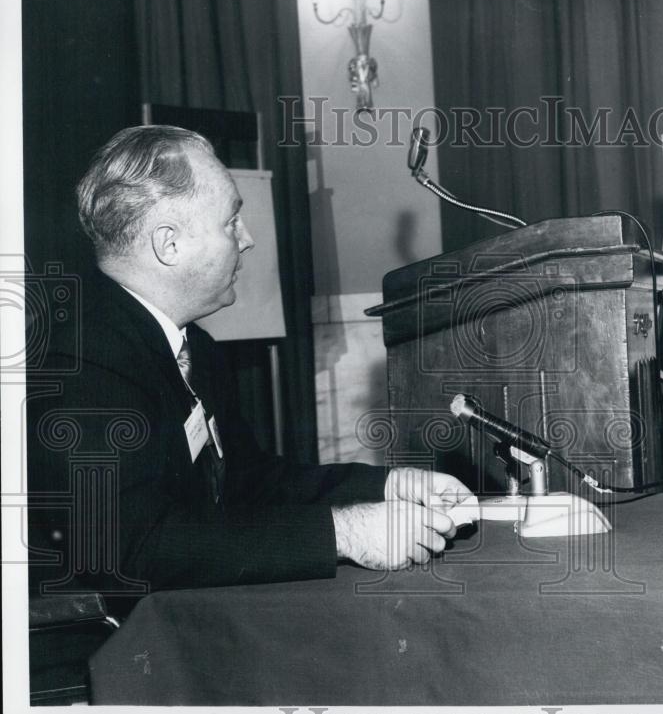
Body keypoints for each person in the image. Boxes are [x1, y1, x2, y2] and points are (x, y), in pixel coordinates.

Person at [27, 125, 472, 597]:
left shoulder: (196, 348)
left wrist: (386, 486)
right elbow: (132, 551)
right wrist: (346, 534)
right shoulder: (81, 358)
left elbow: (252, 484)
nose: (248, 239)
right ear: (168, 245)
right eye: (230, 221)